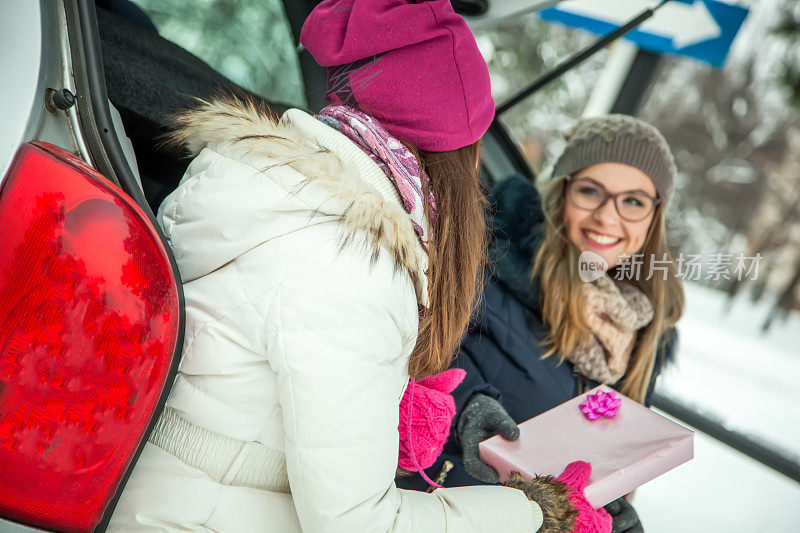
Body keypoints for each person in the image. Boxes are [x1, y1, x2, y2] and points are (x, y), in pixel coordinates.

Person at [108, 1, 579, 532]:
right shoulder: (354, 265)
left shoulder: (252, 179)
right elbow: (359, 523)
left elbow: (240, 369)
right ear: (453, 159)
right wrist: (530, 515)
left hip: (148, 491)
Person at [397, 115, 686, 532]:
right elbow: (410, 360)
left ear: (654, 217)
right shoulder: (483, 263)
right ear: (560, 192)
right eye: (590, 192)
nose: (608, 217)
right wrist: (467, 410)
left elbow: (602, 459)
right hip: (436, 515)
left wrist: (609, 511)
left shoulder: (648, 333)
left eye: (634, 201)